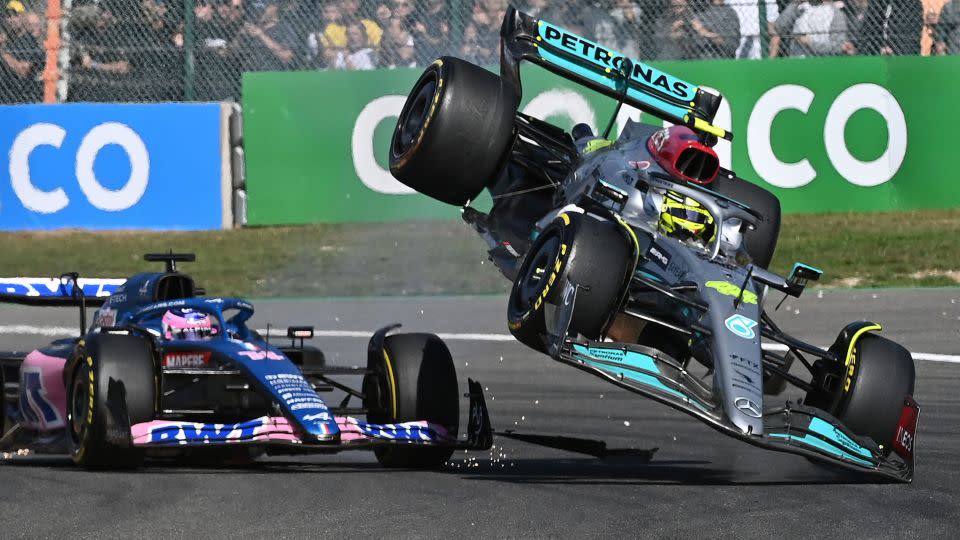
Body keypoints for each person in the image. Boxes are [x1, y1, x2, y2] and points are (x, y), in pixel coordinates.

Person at [769, 0, 849, 57]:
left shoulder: (836, 14)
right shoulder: (799, 7)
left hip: (824, 62)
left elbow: (838, 47)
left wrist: (810, 42)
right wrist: (796, 3)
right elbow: (779, 27)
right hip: (798, 61)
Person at [0, 0, 43, 103]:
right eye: (9, 16)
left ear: (24, 16)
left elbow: (22, 71)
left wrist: (2, 52)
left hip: (21, 97)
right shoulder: (9, 39)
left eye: (16, 15)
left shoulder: (29, 41)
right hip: (5, 95)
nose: (12, 19)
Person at [240, 0, 300, 72]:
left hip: (273, 75)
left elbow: (287, 56)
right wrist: (240, 35)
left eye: (262, 9)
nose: (258, 12)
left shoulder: (284, 28)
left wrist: (261, 35)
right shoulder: (253, 27)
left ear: (274, 8)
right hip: (250, 74)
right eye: (256, 9)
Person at [857, 0, 923, 55]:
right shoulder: (878, 3)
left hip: (903, 55)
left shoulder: (913, 4)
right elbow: (868, 29)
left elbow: (911, 36)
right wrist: (880, 48)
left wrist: (894, 49)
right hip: (877, 51)